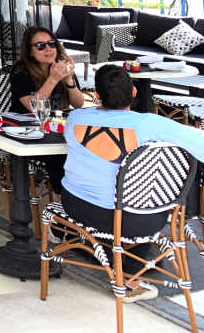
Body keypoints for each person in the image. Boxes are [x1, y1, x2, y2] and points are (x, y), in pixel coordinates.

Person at [62, 64, 204, 302]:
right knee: (146, 200)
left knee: (116, 195)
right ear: (135, 92)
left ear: (97, 95)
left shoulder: (76, 118)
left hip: (78, 208)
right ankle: (130, 277)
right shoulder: (150, 124)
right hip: (137, 221)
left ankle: (110, 256)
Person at [9, 26, 87, 194]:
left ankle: (85, 196)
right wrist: (53, 79)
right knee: (61, 154)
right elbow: (35, 108)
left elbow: (79, 104)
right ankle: (66, 201)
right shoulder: (21, 72)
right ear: (30, 51)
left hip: (58, 129)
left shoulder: (61, 68)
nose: (48, 49)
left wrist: (69, 79)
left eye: (52, 43)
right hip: (29, 132)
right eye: (41, 45)